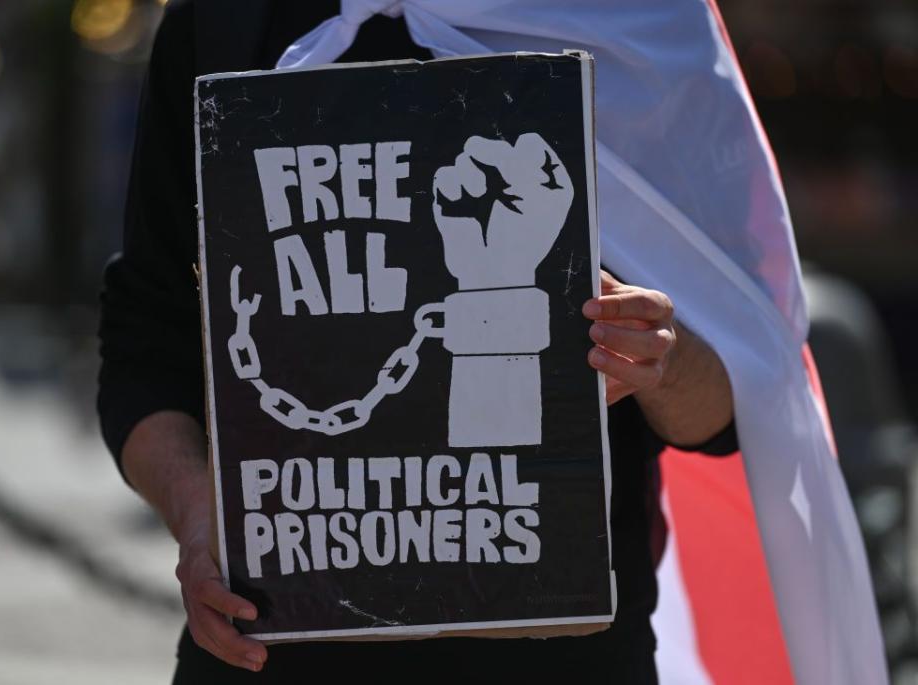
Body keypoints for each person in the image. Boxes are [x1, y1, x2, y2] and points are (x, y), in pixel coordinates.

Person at [97, 1, 736, 682]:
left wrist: (656, 360)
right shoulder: (225, 18)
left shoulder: (637, 18)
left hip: (560, 656)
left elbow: (732, 402)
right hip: (278, 648)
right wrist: (201, 519)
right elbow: (145, 349)